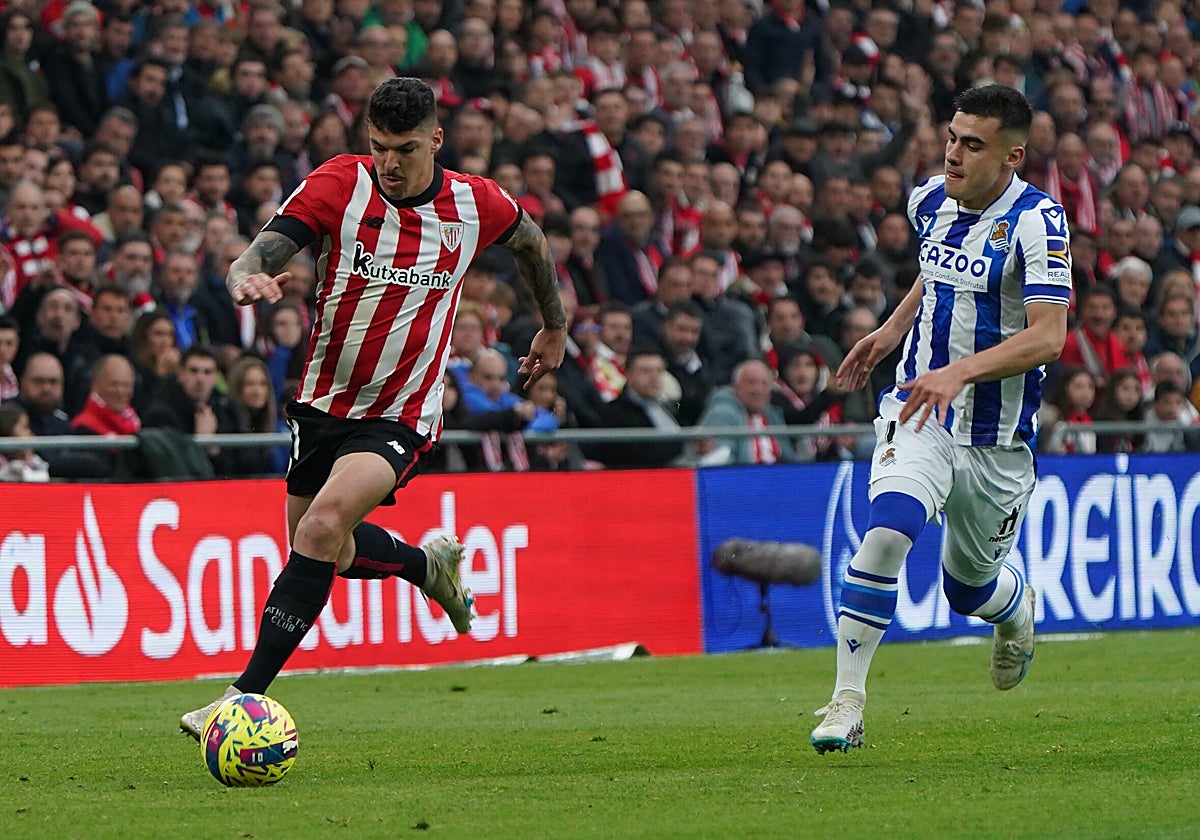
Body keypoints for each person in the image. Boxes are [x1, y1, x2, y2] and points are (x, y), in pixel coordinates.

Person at [179, 78, 566, 739]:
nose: (388, 162)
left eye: (405, 149)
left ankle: (239, 698)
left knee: (322, 527)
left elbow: (532, 244)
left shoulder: (475, 203)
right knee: (329, 551)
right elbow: (264, 248)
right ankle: (427, 567)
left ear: (436, 140)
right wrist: (246, 275)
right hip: (322, 404)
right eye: (379, 146)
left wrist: (553, 326)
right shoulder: (340, 184)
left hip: (402, 411)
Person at [811, 86, 1072, 754]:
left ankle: (1014, 609)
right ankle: (846, 702)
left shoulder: (1039, 222)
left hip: (994, 440)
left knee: (967, 589)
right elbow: (935, 274)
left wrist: (960, 371)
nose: (953, 153)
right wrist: (891, 330)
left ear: (1012, 156)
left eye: (972, 145)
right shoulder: (929, 199)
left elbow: (1049, 337)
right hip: (918, 409)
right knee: (887, 533)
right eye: (952, 137)